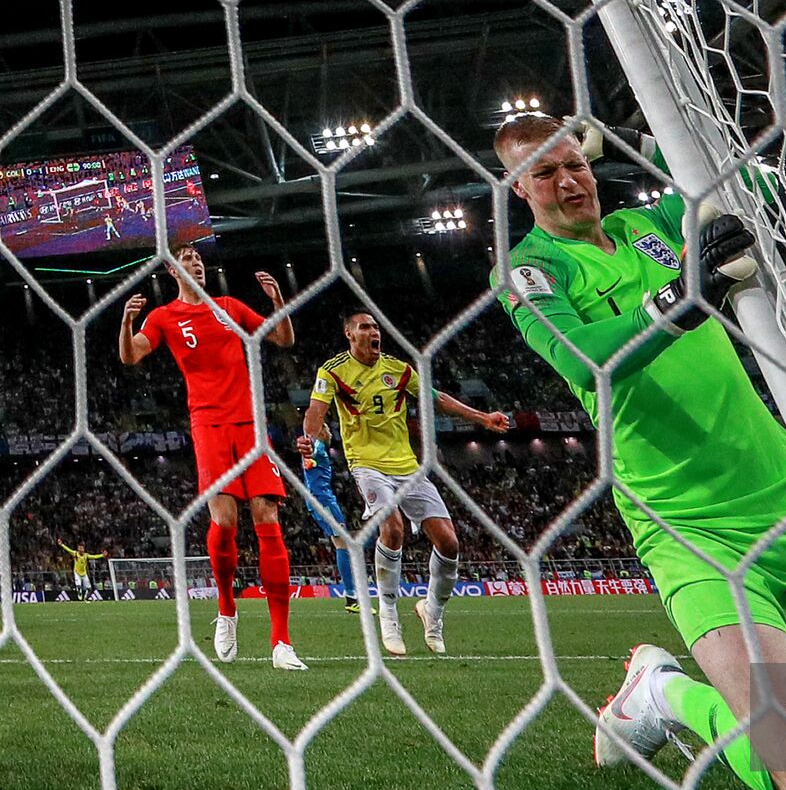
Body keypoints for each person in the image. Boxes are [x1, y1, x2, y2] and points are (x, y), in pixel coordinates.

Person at [491, 114, 786, 790]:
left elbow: (763, 184)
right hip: (693, 532)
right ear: (517, 186)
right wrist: (678, 300)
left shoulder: (653, 222)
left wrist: (635, 140)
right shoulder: (530, 268)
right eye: (544, 172)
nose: (569, 181)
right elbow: (580, 356)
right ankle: (665, 696)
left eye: (577, 164)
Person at [119, 244, 306, 671]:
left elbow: (283, 338)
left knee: (267, 517)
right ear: (172, 270)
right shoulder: (164, 316)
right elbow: (131, 355)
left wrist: (278, 303)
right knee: (224, 521)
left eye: (199, 259)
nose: (197, 263)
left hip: (251, 425)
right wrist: (128, 320)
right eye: (187, 259)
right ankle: (226, 608)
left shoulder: (229, 306)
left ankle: (281, 642)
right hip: (208, 426)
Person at [298, 310, 509, 656]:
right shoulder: (333, 370)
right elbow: (315, 410)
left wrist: (482, 417)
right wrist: (309, 438)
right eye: (365, 327)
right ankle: (389, 613)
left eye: (376, 326)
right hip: (366, 464)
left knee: (449, 542)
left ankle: (432, 613)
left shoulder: (399, 370)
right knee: (392, 528)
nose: (373, 332)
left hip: (407, 466)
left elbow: (437, 398)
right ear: (349, 334)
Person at [300, 423, 365, 614]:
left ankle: (352, 595)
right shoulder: (317, 446)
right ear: (320, 430)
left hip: (322, 499)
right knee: (342, 543)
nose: (330, 432)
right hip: (323, 500)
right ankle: (351, 597)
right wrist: (309, 458)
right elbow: (309, 458)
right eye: (327, 428)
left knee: (343, 543)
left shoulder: (320, 447)